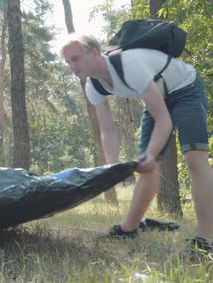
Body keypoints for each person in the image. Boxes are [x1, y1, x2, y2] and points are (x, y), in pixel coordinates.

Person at [60, 33, 213, 258]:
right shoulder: (93, 86)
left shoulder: (129, 64)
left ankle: (206, 239)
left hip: (185, 89)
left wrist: (152, 153)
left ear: (94, 52)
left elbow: (164, 120)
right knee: (147, 166)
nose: (72, 66)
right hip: (157, 97)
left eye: (75, 58)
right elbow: (108, 130)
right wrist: (112, 168)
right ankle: (128, 229)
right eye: (67, 62)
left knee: (194, 159)